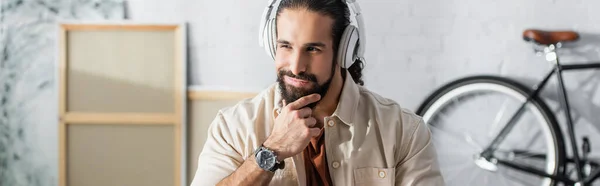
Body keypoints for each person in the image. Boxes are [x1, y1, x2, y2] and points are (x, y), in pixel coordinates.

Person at [190, 0, 444, 185]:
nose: (296, 66)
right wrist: (271, 151)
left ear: (345, 51)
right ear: (271, 44)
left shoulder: (404, 131)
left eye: (313, 49)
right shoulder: (233, 126)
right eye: (286, 46)